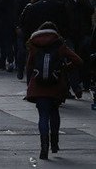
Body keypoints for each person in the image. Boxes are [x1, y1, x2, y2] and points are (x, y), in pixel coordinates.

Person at [24, 22, 82, 160]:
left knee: (43, 115)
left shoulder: (34, 44)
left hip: (38, 86)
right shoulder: (60, 45)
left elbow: (29, 66)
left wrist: (30, 84)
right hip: (56, 86)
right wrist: (64, 68)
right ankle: (54, 143)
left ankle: (44, 146)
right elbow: (78, 61)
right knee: (54, 112)